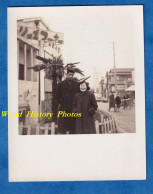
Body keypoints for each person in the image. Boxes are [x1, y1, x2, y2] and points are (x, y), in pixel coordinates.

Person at [57, 68, 79, 134]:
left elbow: (78, 95)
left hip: (73, 108)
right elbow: (57, 96)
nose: (71, 76)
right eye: (69, 74)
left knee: (73, 128)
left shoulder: (76, 84)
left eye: (72, 75)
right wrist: (61, 102)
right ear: (66, 75)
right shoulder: (61, 84)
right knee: (63, 127)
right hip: (64, 108)